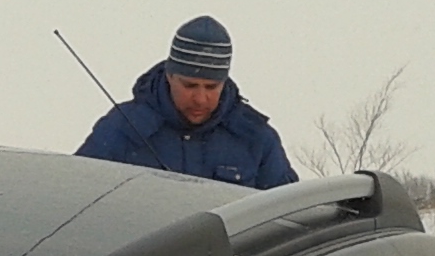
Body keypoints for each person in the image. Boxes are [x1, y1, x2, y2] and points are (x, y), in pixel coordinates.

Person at [76, 16, 297, 189]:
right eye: (190, 85)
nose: (200, 98)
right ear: (170, 76)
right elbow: (77, 194)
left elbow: (289, 216)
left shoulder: (255, 138)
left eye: (211, 87)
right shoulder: (123, 129)